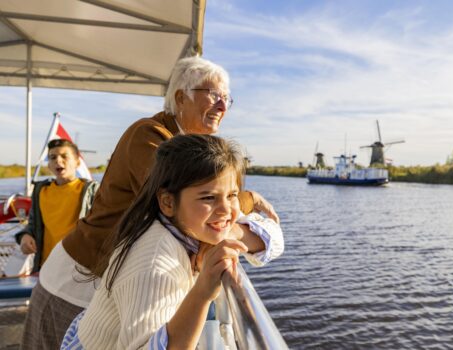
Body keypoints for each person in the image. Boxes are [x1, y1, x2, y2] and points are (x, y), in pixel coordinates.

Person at [20, 56, 281, 350]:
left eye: (227, 99)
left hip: (114, 291)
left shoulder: (185, 152)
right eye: (214, 95)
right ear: (180, 97)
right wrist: (245, 201)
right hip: (75, 285)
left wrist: (221, 229)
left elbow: (198, 218)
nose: (222, 106)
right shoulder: (150, 135)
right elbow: (174, 206)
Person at [62, 134, 283, 349]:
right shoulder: (155, 264)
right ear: (168, 202)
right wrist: (203, 292)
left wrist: (227, 232)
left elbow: (276, 240)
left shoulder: (181, 224)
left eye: (233, 195)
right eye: (208, 197)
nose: (226, 209)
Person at [14, 139, 98, 273]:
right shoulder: (40, 191)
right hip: (46, 268)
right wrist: (24, 236)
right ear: (49, 165)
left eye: (64, 156)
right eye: (52, 157)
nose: (58, 161)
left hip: (79, 269)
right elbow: (33, 225)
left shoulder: (91, 190)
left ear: (77, 162)